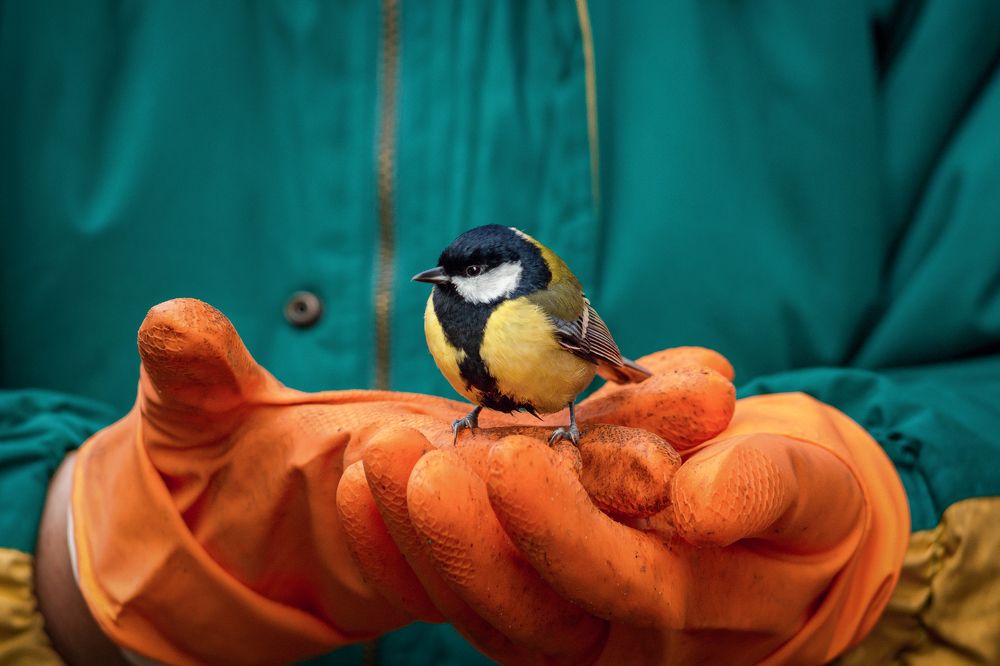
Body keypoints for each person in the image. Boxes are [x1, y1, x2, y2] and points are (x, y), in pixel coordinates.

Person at [2, 2, 998, 664]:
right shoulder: (450, 313)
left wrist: (899, 506)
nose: (446, 285)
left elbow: (591, 343)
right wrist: (64, 553)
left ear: (509, 274)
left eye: (465, 274)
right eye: (444, 275)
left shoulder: (545, 307)